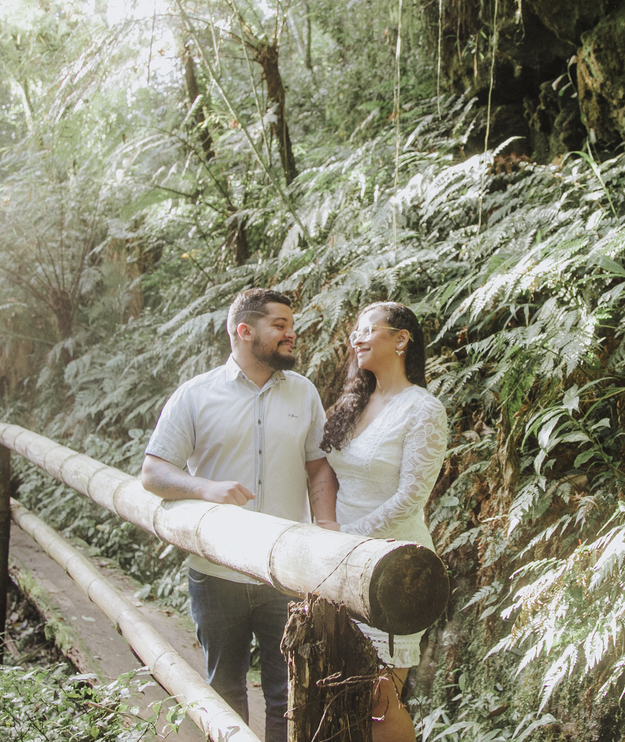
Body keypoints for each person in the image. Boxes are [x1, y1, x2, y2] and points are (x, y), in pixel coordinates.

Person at [139, 288, 337, 742]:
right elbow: (153, 472)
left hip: (287, 572)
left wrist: (326, 525)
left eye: (291, 325)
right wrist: (205, 488)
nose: (292, 334)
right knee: (224, 691)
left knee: (288, 696)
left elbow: (318, 467)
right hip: (216, 571)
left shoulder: (304, 392)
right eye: (280, 325)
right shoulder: (195, 395)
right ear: (245, 331)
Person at [317, 301, 449, 742]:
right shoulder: (352, 403)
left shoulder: (423, 409)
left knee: (380, 700)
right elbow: (326, 473)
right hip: (338, 564)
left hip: (395, 569)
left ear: (400, 339)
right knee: (338, 692)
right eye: (355, 331)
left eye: (368, 329)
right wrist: (328, 532)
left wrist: (345, 538)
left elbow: (411, 497)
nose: (357, 338)